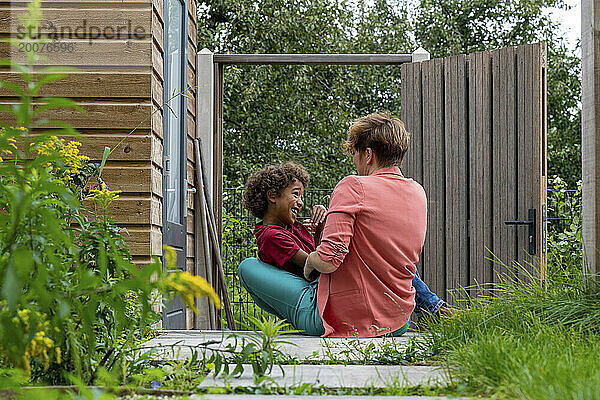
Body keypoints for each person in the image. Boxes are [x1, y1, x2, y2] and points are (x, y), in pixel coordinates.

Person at [238, 112, 444, 337]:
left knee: (247, 267)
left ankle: (306, 317)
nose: (354, 162)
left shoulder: (353, 186)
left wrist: (310, 265)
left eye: (355, 154)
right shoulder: (418, 193)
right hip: (397, 322)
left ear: (368, 155)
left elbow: (329, 260)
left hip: (345, 320)